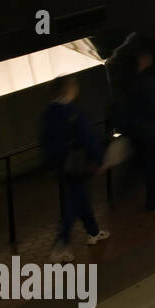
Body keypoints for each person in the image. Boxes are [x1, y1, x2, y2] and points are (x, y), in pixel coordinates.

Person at [40, 76, 107, 259]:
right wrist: (98, 159)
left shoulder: (49, 113)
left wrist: (52, 165)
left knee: (80, 197)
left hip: (62, 165)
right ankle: (62, 242)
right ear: (68, 89)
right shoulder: (73, 112)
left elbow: (45, 141)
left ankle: (93, 231)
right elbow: (88, 137)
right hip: (78, 163)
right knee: (75, 203)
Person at [126, 49, 155, 210]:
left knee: (144, 165)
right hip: (150, 130)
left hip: (138, 130)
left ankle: (146, 196)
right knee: (153, 166)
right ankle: (153, 199)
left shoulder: (130, 82)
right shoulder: (149, 82)